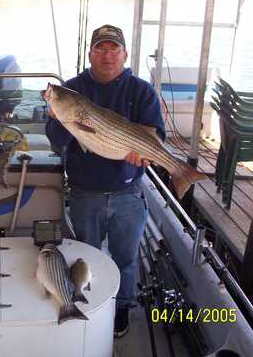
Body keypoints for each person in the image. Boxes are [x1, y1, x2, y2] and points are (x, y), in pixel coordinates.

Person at [45, 25, 165, 337]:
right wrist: (57, 115)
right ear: (90, 54)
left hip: (129, 193)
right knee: (86, 256)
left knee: (126, 259)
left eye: (114, 48)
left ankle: (121, 309)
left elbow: (155, 136)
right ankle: (89, 304)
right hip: (85, 194)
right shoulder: (71, 90)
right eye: (100, 48)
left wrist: (145, 155)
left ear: (125, 54)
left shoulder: (142, 92)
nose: (107, 55)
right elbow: (57, 140)